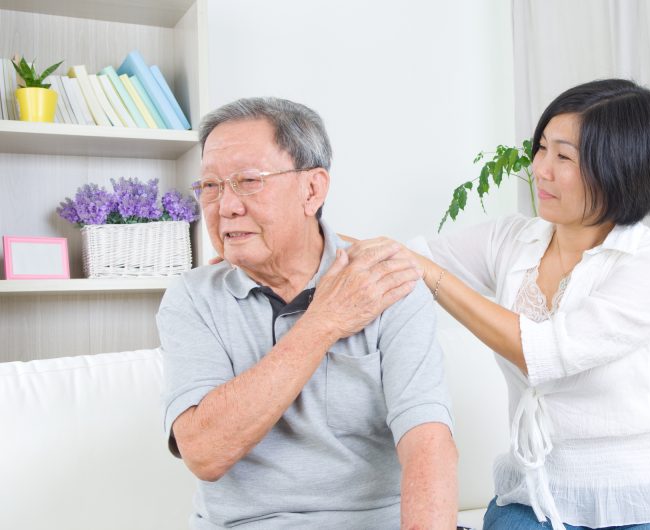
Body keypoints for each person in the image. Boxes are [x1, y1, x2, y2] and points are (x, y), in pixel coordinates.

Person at [347, 79, 650, 529]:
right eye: (542, 148)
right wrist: (284, 243)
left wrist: (428, 271)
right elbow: (392, 259)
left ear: (621, 168)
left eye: (564, 157)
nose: (540, 169)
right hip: (534, 498)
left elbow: (543, 352)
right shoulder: (510, 239)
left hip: (642, 501)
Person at [156, 97, 458, 529]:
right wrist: (323, 322)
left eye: (247, 181)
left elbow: (427, 441)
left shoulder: (386, 283)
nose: (225, 207)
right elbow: (205, 453)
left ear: (312, 190)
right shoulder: (192, 298)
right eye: (210, 186)